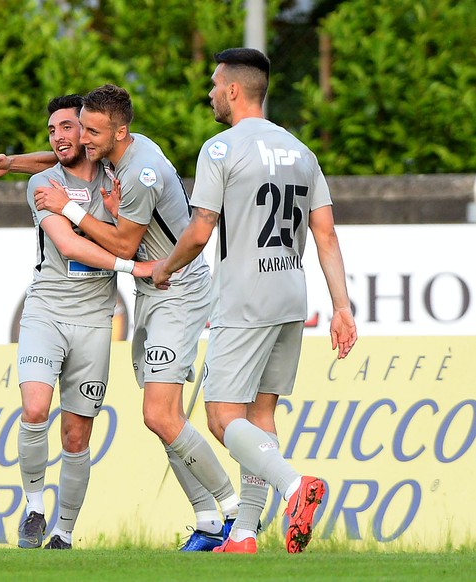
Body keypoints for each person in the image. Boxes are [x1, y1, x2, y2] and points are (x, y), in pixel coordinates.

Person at [0, 85, 241, 552]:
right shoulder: (87, 165)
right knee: (150, 416)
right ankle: (205, 519)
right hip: (116, 298)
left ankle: (233, 515)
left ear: (105, 133)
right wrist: (13, 162)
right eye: (60, 128)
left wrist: (71, 208)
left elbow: (122, 245)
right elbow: (63, 175)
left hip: (169, 290)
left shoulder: (129, 172)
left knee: (153, 417)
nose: (70, 135)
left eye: (79, 127)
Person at [152, 47, 358, 554]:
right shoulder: (301, 151)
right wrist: (343, 307)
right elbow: (326, 234)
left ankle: (294, 487)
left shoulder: (220, 149)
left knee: (223, 417)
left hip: (244, 298)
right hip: (291, 297)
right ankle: (244, 534)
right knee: (259, 417)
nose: (210, 93)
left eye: (214, 84)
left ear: (234, 91)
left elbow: (201, 231)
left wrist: (165, 267)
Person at [0, 94, 155, 550]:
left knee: (77, 434)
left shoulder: (118, 175)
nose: (59, 137)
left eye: (68, 127)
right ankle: (34, 507)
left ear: (89, 130)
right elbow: (72, 246)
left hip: (97, 319)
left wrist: (118, 216)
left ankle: (64, 532)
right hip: (46, 311)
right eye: (52, 131)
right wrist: (133, 268)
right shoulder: (43, 184)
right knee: (35, 409)